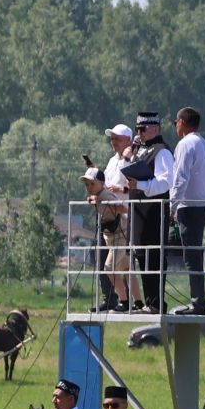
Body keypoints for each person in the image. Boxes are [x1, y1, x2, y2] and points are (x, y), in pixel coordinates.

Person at [123, 111, 175, 314]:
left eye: (143, 129)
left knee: (153, 256)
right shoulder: (139, 150)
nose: (140, 133)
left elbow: (165, 182)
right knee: (142, 256)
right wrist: (127, 159)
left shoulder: (161, 151)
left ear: (156, 129)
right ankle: (148, 302)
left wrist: (141, 184)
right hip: (139, 211)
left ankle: (155, 303)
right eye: (138, 129)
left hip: (154, 212)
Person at [167, 107, 205, 315]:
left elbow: (180, 178)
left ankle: (198, 303)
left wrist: (172, 204)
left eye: (175, 122)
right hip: (204, 205)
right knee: (193, 251)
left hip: (188, 206)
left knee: (191, 256)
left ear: (182, 122)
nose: (175, 126)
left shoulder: (185, 145)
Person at [89, 124, 136, 312]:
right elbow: (106, 186)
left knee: (116, 263)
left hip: (122, 217)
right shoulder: (111, 162)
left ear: (128, 141)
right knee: (103, 258)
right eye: (112, 138)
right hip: (107, 215)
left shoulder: (132, 161)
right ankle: (110, 297)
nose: (113, 142)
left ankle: (126, 300)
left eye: (117, 138)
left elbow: (133, 185)